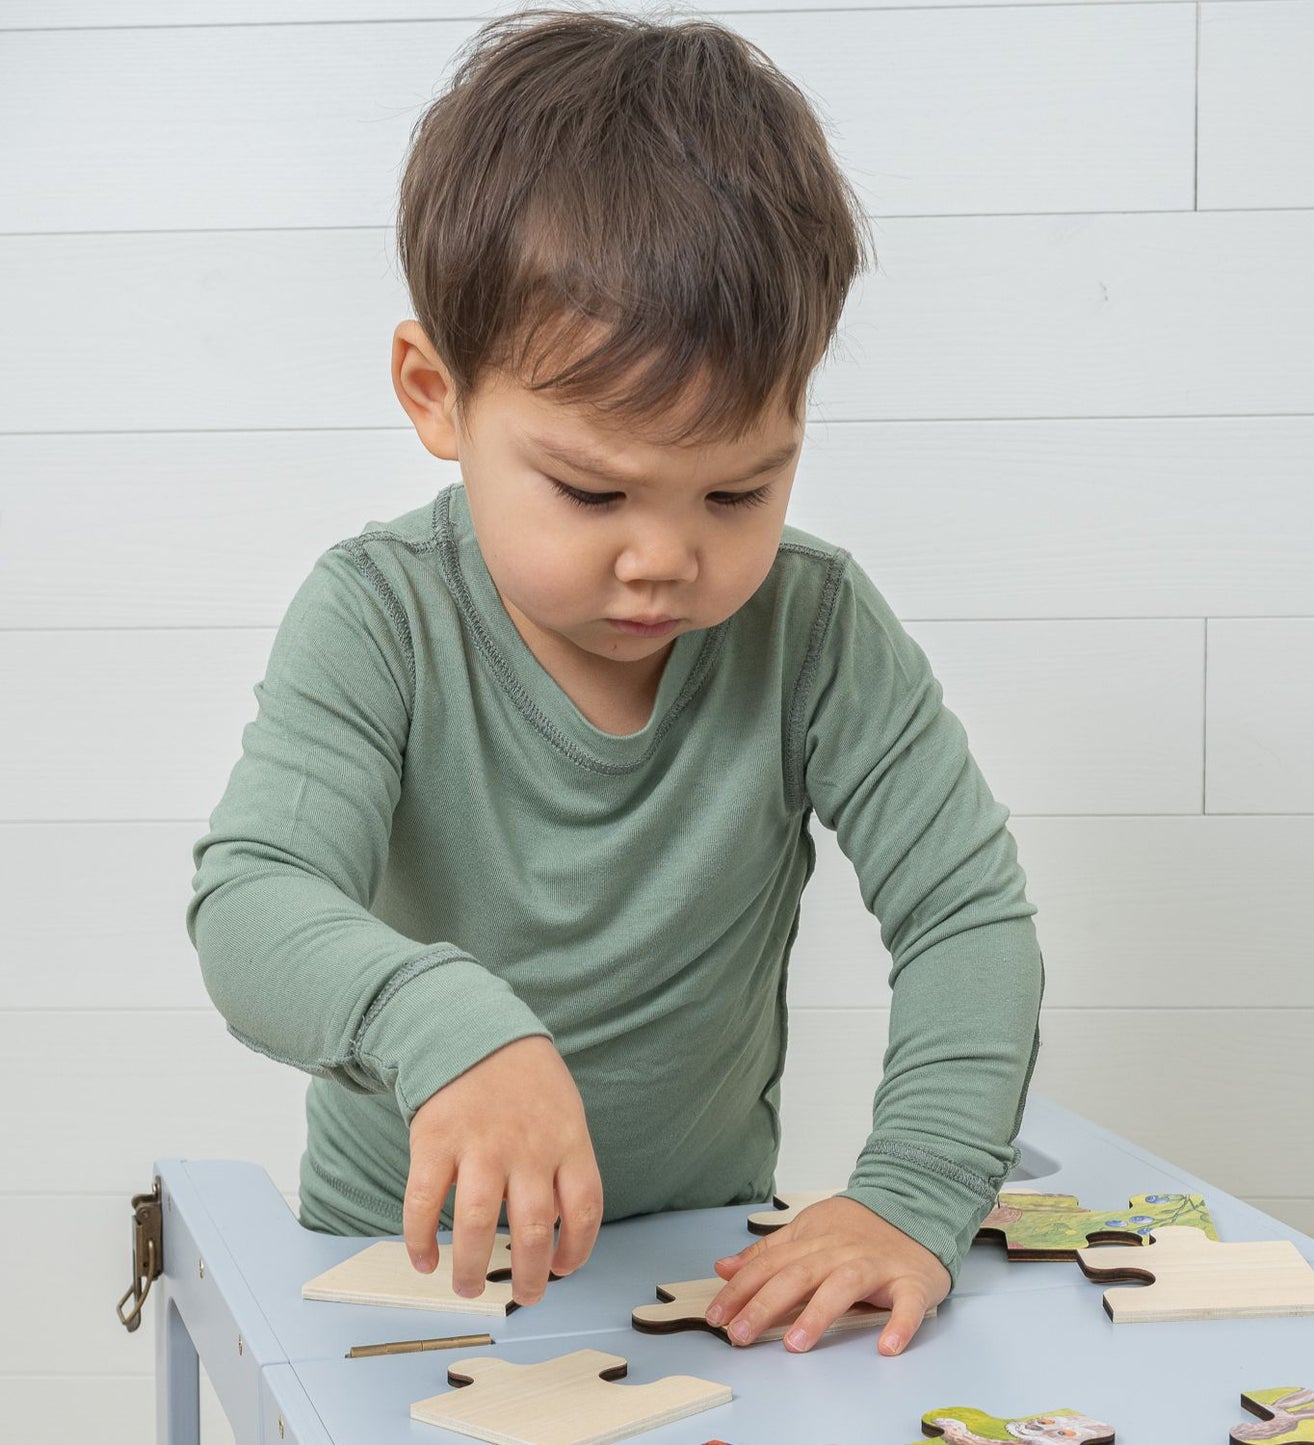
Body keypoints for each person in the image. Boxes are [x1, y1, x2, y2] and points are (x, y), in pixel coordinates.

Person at [186, 5, 1044, 1358]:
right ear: (436, 395)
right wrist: (447, 1025)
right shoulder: (377, 616)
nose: (666, 559)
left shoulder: (814, 628)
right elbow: (248, 908)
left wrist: (909, 1194)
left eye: (736, 487)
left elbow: (967, 918)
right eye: (591, 489)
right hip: (401, 1271)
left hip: (701, 1273)